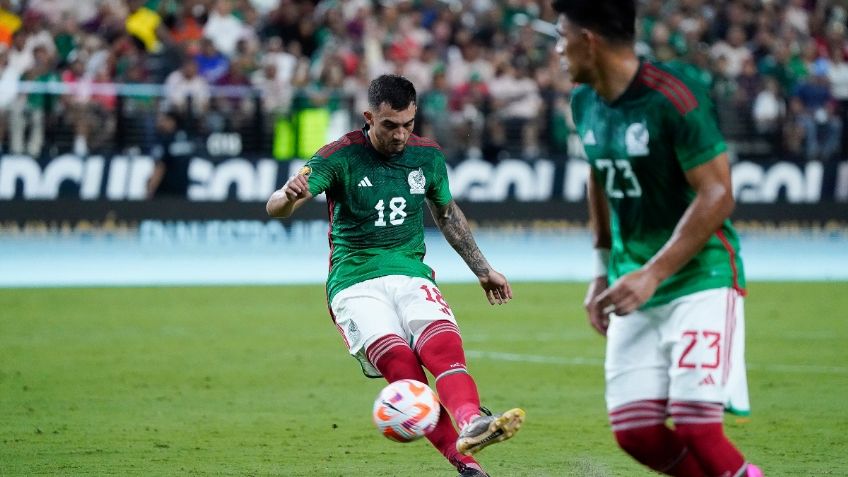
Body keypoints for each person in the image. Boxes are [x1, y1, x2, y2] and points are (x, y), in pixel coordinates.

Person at [266, 74, 524, 477]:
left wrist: (483, 269)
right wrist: (289, 196)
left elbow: (448, 214)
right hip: (354, 283)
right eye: (390, 125)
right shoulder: (338, 156)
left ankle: (473, 422)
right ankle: (466, 463)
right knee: (404, 370)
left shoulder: (428, 157)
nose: (401, 134)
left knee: (444, 349)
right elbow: (276, 206)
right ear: (369, 117)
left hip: (412, 274)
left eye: (408, 124)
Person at [551, 1, 763, 476]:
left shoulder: (674, 95)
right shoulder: (584, 102)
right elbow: (599, 176)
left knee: (697, 429)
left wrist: (653, 273)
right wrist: (602, 267)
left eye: (561, 37)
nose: (558, 51)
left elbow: (718, 193)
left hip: (699, 278)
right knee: (636, 433)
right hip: (632, 282)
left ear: (589, 40)